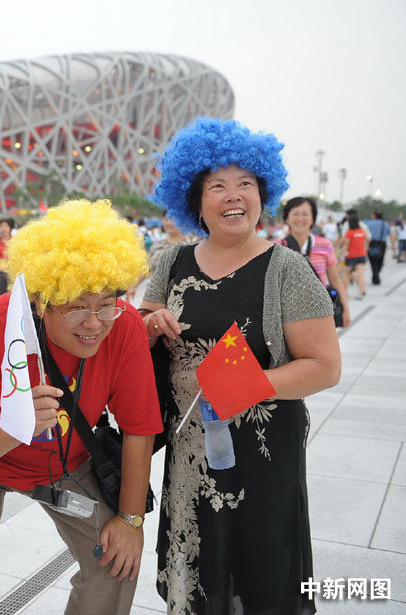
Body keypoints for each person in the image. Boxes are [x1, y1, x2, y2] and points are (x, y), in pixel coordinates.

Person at [142, 117, 341, 614]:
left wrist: (248, 383)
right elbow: (141, 329)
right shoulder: (171, 263)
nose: (234, 195)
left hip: (262, 453)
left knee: (261, 572)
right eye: (218, 185)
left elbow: (324, 366)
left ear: (262, 194)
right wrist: (149, 324)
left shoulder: (287, 268)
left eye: (246, 183)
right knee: (198, 570)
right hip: (190, 451)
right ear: (195, 201)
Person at [0, 199, 161, 615]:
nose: (94, 323)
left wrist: (132, 520)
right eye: (76, 307)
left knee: (116, 566)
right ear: (41, 302)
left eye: (106, 303)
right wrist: (15, 425)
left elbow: (140, 428)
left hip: (68, 463)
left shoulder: (124, 324)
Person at [277, 197, 351, 327]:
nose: (300, 218)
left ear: (312, 218)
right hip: (288, 314)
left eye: (305, 214)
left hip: (320, 312)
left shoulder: (325, 245)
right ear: (287, 218)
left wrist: (345, 309)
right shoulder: (277, 247)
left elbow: (335, 279)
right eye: (295, 214)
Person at [125, 216, 198, 303]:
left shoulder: (193, 243)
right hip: (160, 300)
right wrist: (133, 287)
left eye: (172, 219)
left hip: (187, 297)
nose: (168, 223)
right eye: (166, 219)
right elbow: (147, 269)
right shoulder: (157, 246)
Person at [341, 210, 368, 299]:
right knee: (360, 274)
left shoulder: (349, 232)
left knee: (346, 274)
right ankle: (361, 291)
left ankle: (345, 292)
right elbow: (364, 243)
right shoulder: (362, 232)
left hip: (351, 256)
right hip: (362, 255)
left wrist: (343, 255)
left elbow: (346, 245)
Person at [364, 210, 392, 285]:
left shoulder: (369, 223)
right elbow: (389, 234)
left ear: (374, 215)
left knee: (373, 261)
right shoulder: (385, 223)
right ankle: (376, 276)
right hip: (382, 244)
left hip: (372, 243)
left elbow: (366, 234)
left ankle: (375, 276)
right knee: (380, 261)